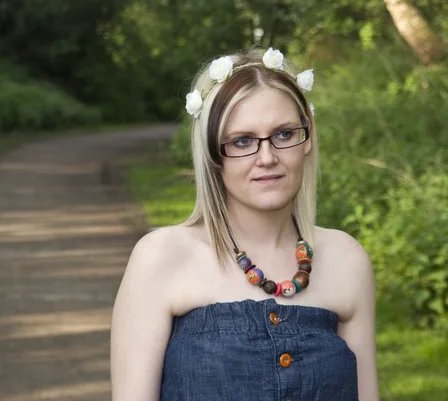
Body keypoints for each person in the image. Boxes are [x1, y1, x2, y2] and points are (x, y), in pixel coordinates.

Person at [110, 47, 379, 401]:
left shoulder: (346, 259)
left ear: (307, 137)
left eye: (284, 134)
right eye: (242, 141)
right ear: (212, 153)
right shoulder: (161, 258)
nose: (267, 158)